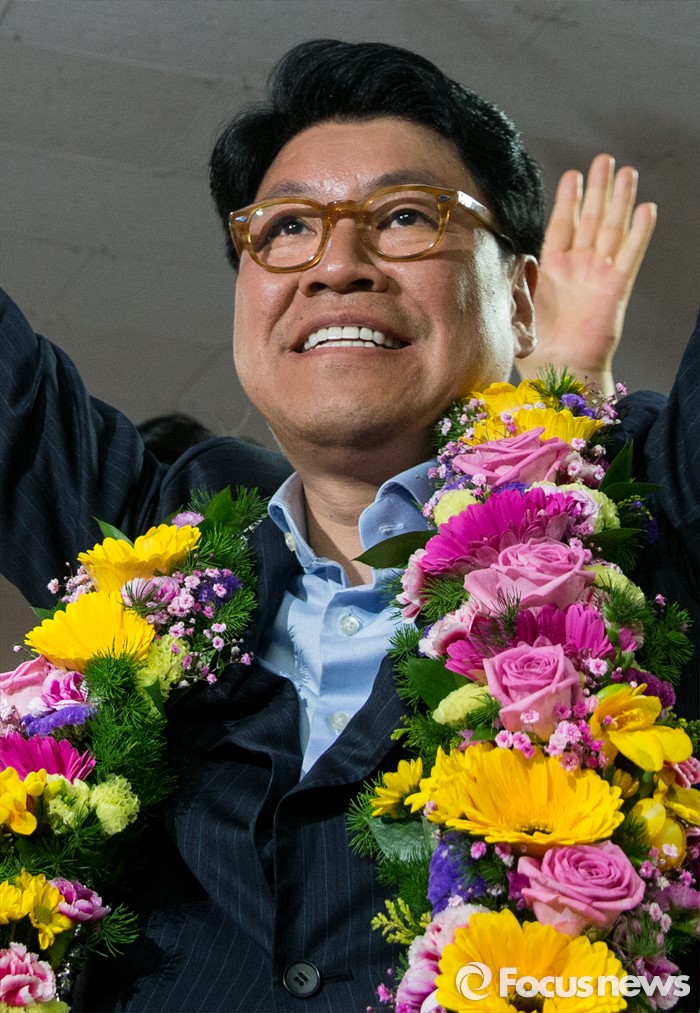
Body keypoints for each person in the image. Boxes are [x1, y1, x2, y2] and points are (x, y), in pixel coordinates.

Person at [0, 39, 695, 1013]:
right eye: (286, 227)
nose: (335, 263)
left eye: (405, 216)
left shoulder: (643, 511)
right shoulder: (163, 546)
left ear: (521, 299)